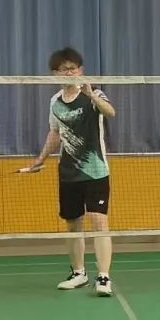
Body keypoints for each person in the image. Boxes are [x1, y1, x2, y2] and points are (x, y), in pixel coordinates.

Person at [33, 48, 117, 297]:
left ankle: (104, 277)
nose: (69, 73)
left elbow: (110, 112)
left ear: (80, 70)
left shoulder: (94, 93)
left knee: (99, 222)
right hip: (68, 173)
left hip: (95, 171)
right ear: (55, 73)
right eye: (64, 69)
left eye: (73, 68)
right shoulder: (55, 101)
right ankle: (79, 273)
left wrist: (92, 96)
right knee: (73, 224)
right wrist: (40, 159)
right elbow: (55, 132)